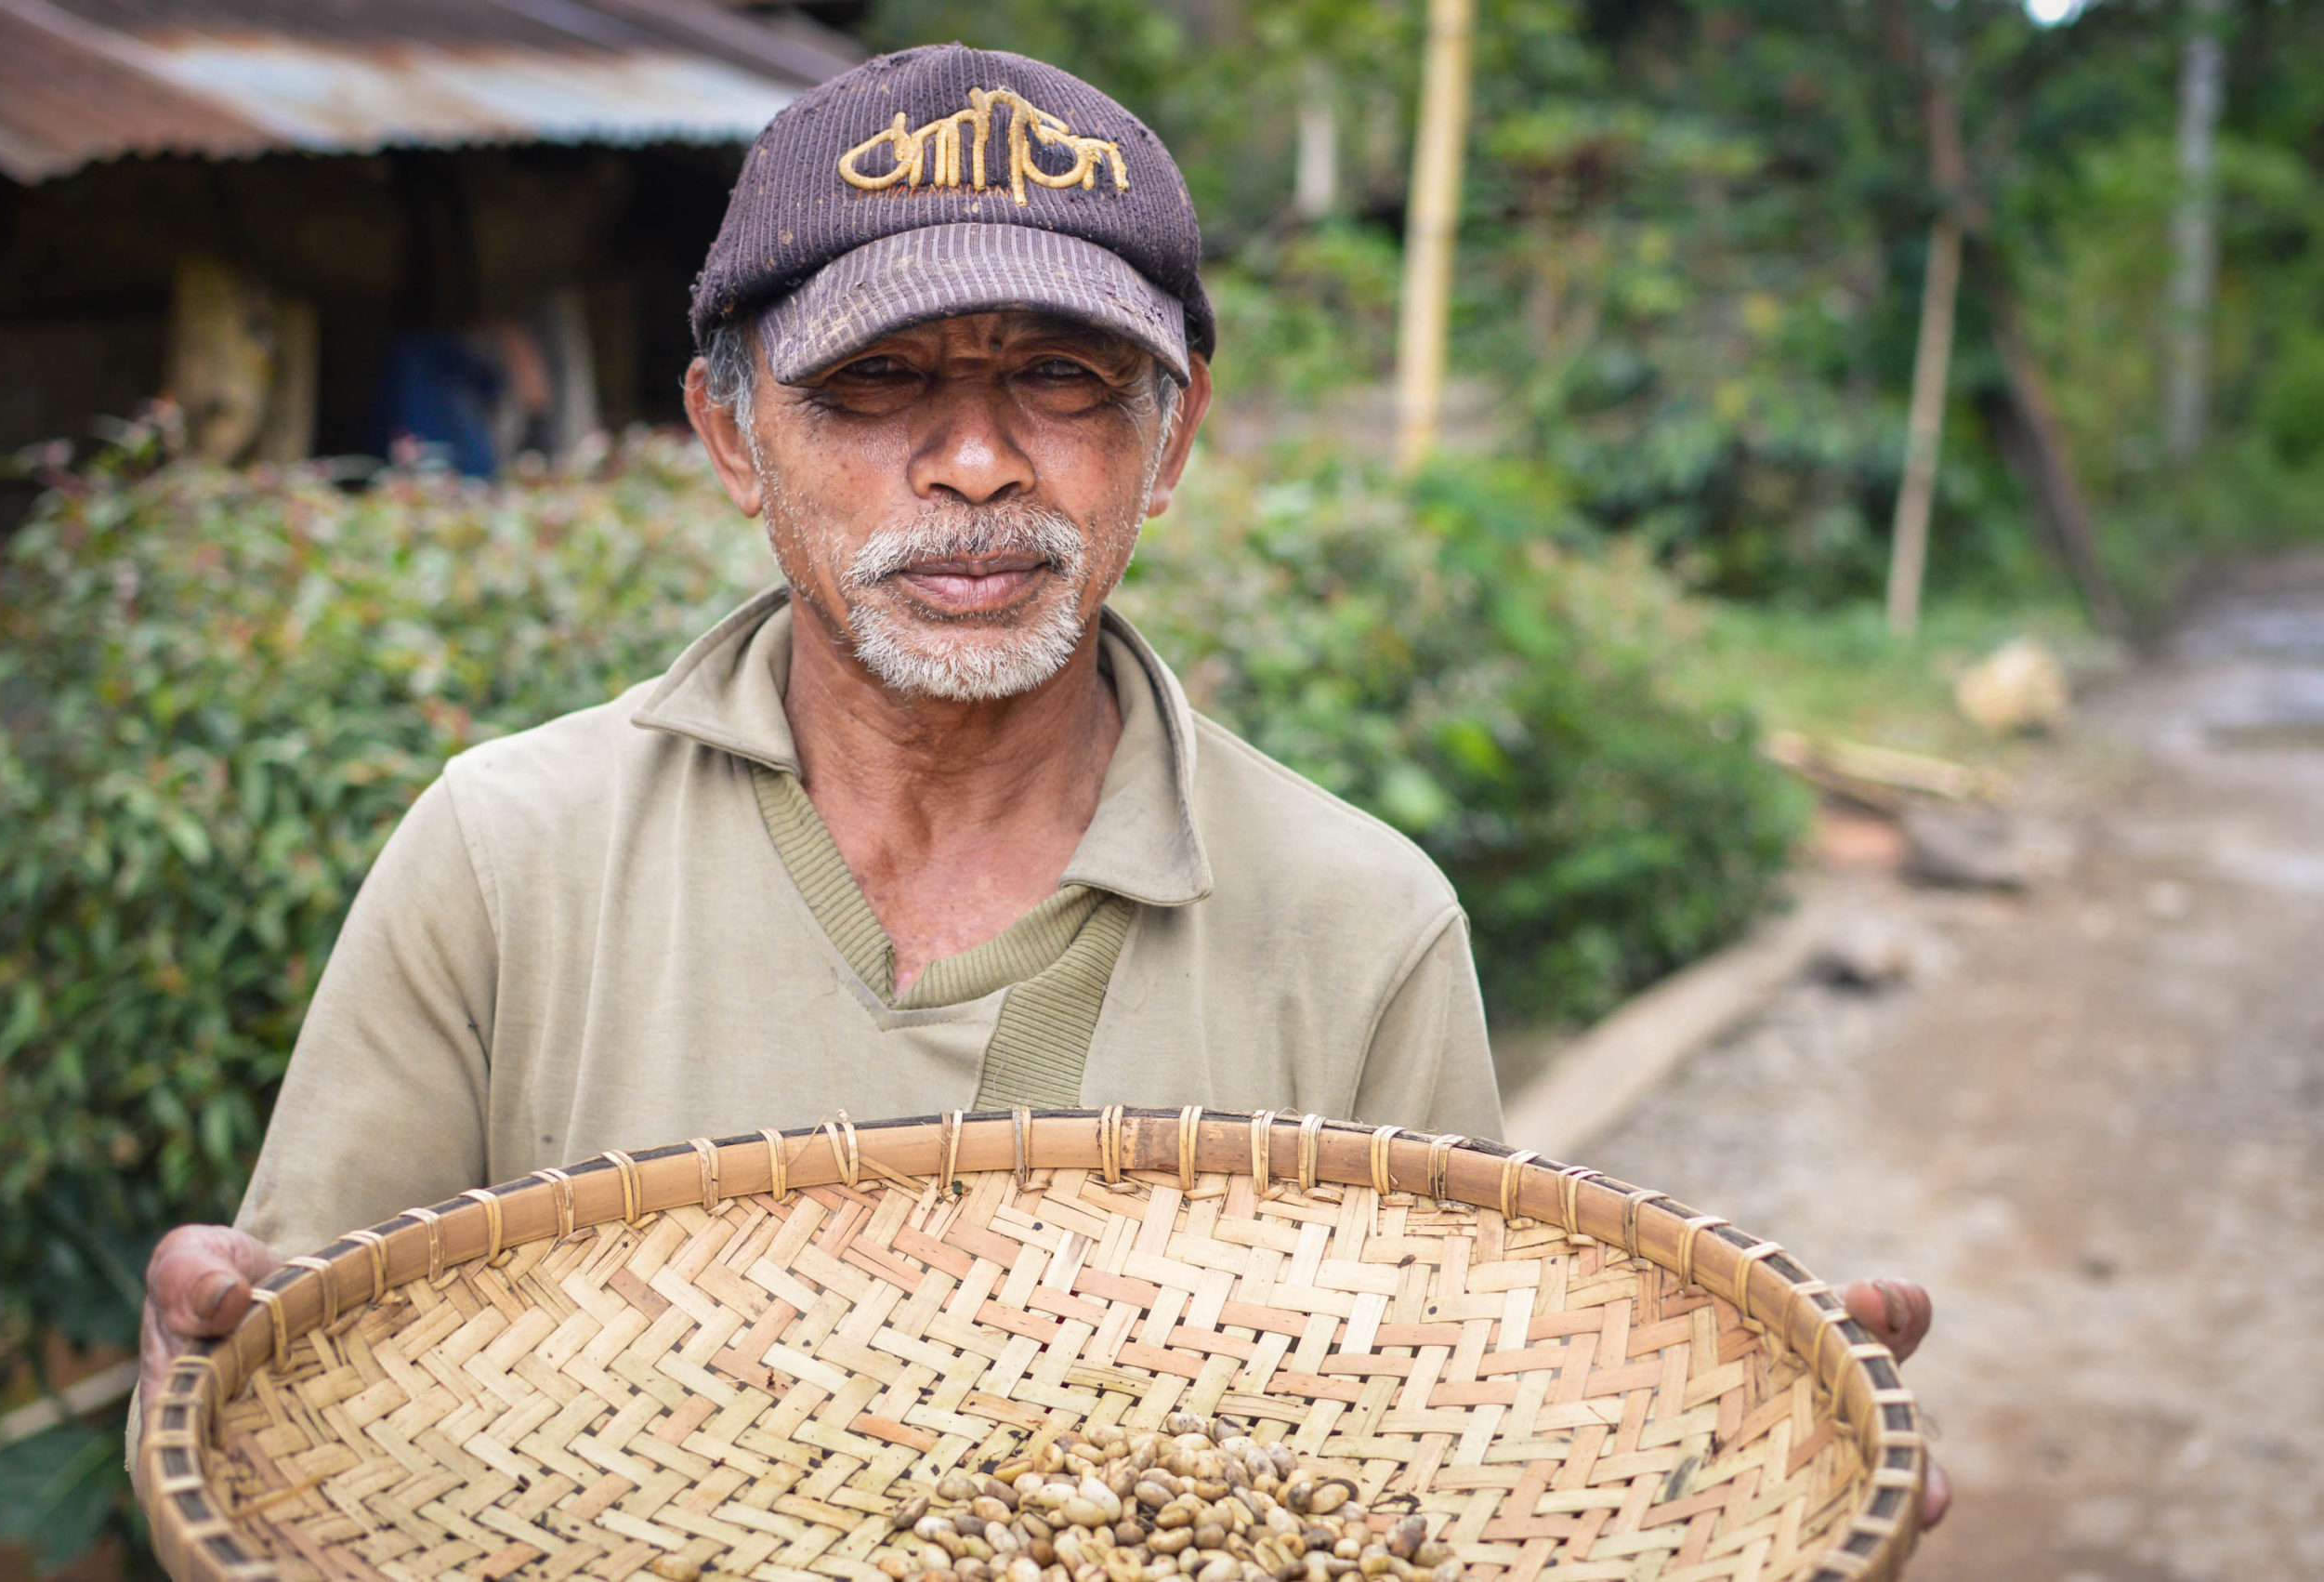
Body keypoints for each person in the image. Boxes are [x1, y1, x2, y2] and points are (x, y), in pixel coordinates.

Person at [136, 45, 1946, 1523]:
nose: (979, 461)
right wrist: (205, 1390)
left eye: (1063, 379)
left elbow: (1426, 1488)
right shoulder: (505, 858)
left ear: (1170, 438)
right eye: (878, 381)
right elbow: (314, 1458)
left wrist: (1715, 1474)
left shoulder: (1358, 929)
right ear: (730, 435)